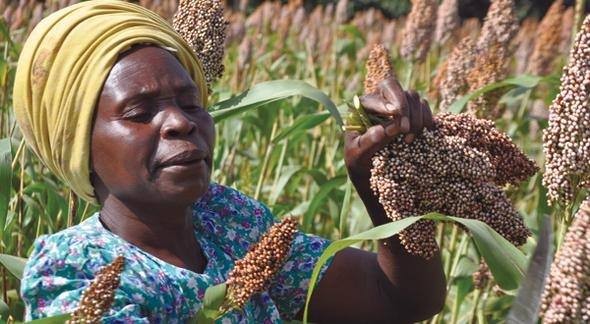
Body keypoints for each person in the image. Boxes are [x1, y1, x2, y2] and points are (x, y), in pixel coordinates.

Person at [13, 1, 446, 322]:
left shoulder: (227, 221)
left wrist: (383, 178)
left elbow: (396, 300)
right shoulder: (76, 269)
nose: (181, 123)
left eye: (191, 102)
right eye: (140, 112)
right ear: (77, 144)